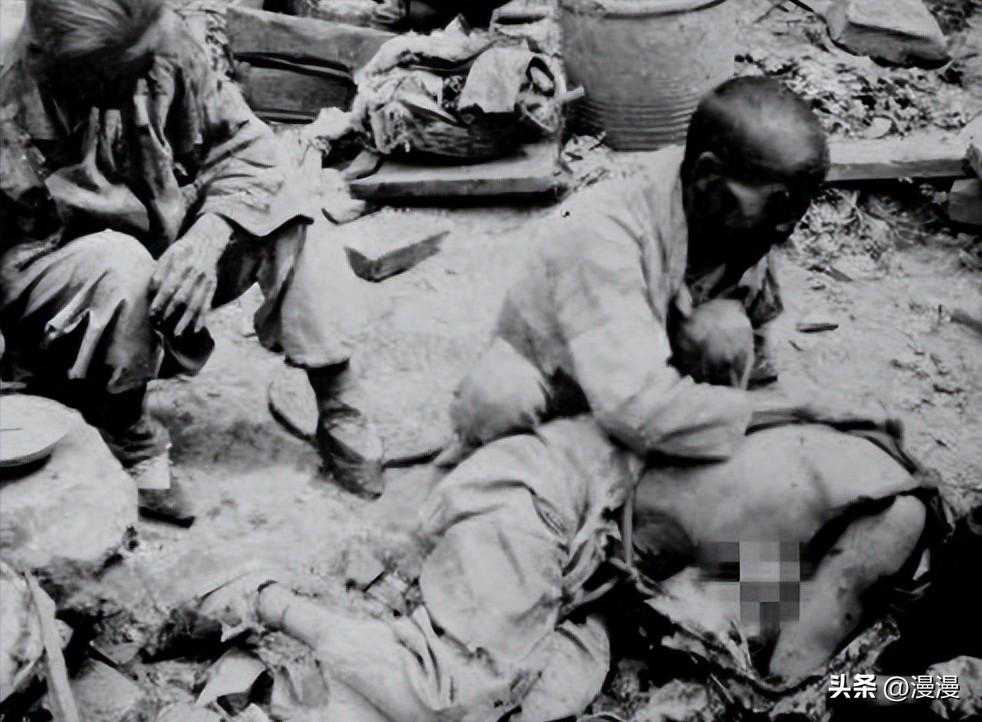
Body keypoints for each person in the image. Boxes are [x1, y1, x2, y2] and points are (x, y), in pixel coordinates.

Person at [194, 309, 938, 719]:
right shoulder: (894, 522)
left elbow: (729, 590)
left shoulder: (872, 481)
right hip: (539, 498)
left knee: (548, 701)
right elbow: (789, 683)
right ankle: (258, 596)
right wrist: (924, 688)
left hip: (595, 550)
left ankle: (291, 690)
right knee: (452, 698)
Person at [0, 0, 383, 522]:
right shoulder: (10, 90)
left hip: (158, 245)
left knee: (286, 200)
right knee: (118, 262)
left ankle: (338, 397)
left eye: (145, 64)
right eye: (123, 73)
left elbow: (250, 151)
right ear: (61, 65)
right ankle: (127, 432)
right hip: (52, 291)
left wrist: (209, 234)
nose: (144, 79)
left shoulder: (158, 44)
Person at [445, 76, 829, 464]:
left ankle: (671, 465)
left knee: (722, 331)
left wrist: (776, 418)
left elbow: (758, 362)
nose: (788, 226)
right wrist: (797, 409)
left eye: (799, 207)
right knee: (502, 395)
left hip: (649, 385)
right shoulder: (604, 229)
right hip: (564, 390)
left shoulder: (739, 224)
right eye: (779, 203)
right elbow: (632, 407)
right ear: (708, 177)